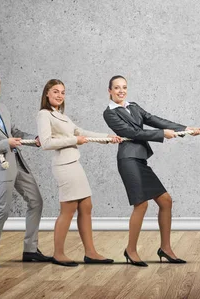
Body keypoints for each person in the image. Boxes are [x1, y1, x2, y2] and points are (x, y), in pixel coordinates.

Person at [103, 75, 200, 266]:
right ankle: (130, 251)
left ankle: (165, 248)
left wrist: (185, 129)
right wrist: (161, 135)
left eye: (124, 87)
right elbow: (132, 133)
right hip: (128, 160)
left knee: (165, 201)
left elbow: (154, 120)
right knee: (141, 204)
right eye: (116, 88)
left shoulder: (133, 106)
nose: (121, 91)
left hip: (140, 160)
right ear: (110, 91)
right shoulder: (109, 113)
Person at [0, 72, 52, 269]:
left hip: (18, 163)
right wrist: (6, 143)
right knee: (2, 210)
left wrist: (35, 139)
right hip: (0, 167)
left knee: (36, 201)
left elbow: (15, 133)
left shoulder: (2, 108)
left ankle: (30, 250)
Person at [37, 79, 122, 267]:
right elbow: (46, 143)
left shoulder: (61, 115)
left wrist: (107, 138)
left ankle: (90, 253)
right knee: (68, 209)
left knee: (86, 206)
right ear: (47, 94)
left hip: (74, 163)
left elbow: (81, 132)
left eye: (63, 92)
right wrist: (74, 139)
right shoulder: (44, 115)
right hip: (64, 165)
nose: (60, 95)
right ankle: (58, 254)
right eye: (55, 92)